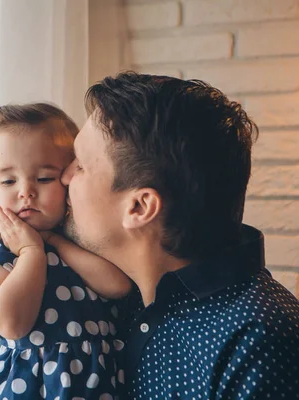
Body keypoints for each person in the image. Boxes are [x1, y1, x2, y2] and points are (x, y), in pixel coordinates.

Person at [60, 72, 299, 399]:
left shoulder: (259, 341)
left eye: (81, 165)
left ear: (140, 206)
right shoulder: (103, 297)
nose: (63, 176)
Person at [0, 103, 132, 399]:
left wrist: (55, 242)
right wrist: (30, 252)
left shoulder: (80, 240)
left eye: (44, 178)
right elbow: (13, 324)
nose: (26, 191)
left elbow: (118, 286)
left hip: (96, 382)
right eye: (9, 181)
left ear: (70, 176)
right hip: (31, 385)